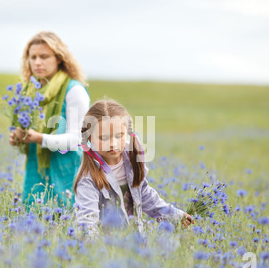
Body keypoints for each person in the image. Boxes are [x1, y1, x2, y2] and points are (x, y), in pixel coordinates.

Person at [74, 99, 193, 237]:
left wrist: (175, 216)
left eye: (119, 136)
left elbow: (146, 196)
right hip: (106, 249)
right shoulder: (88, 177)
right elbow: (86, 221)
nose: (113, 144)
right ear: (89, 137)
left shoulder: (131, 159)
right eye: (104, 138)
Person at [9, 31, 90, 209]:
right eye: (33, 57)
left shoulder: (74, 91)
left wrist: (40, 138)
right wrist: (19, 139)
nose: (38, 62)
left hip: (68, 175)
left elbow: (78, 139)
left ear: (59, 58)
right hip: (36, 176)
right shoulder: (29, 93)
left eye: (44, 56)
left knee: (67, 228)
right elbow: (30, 146)